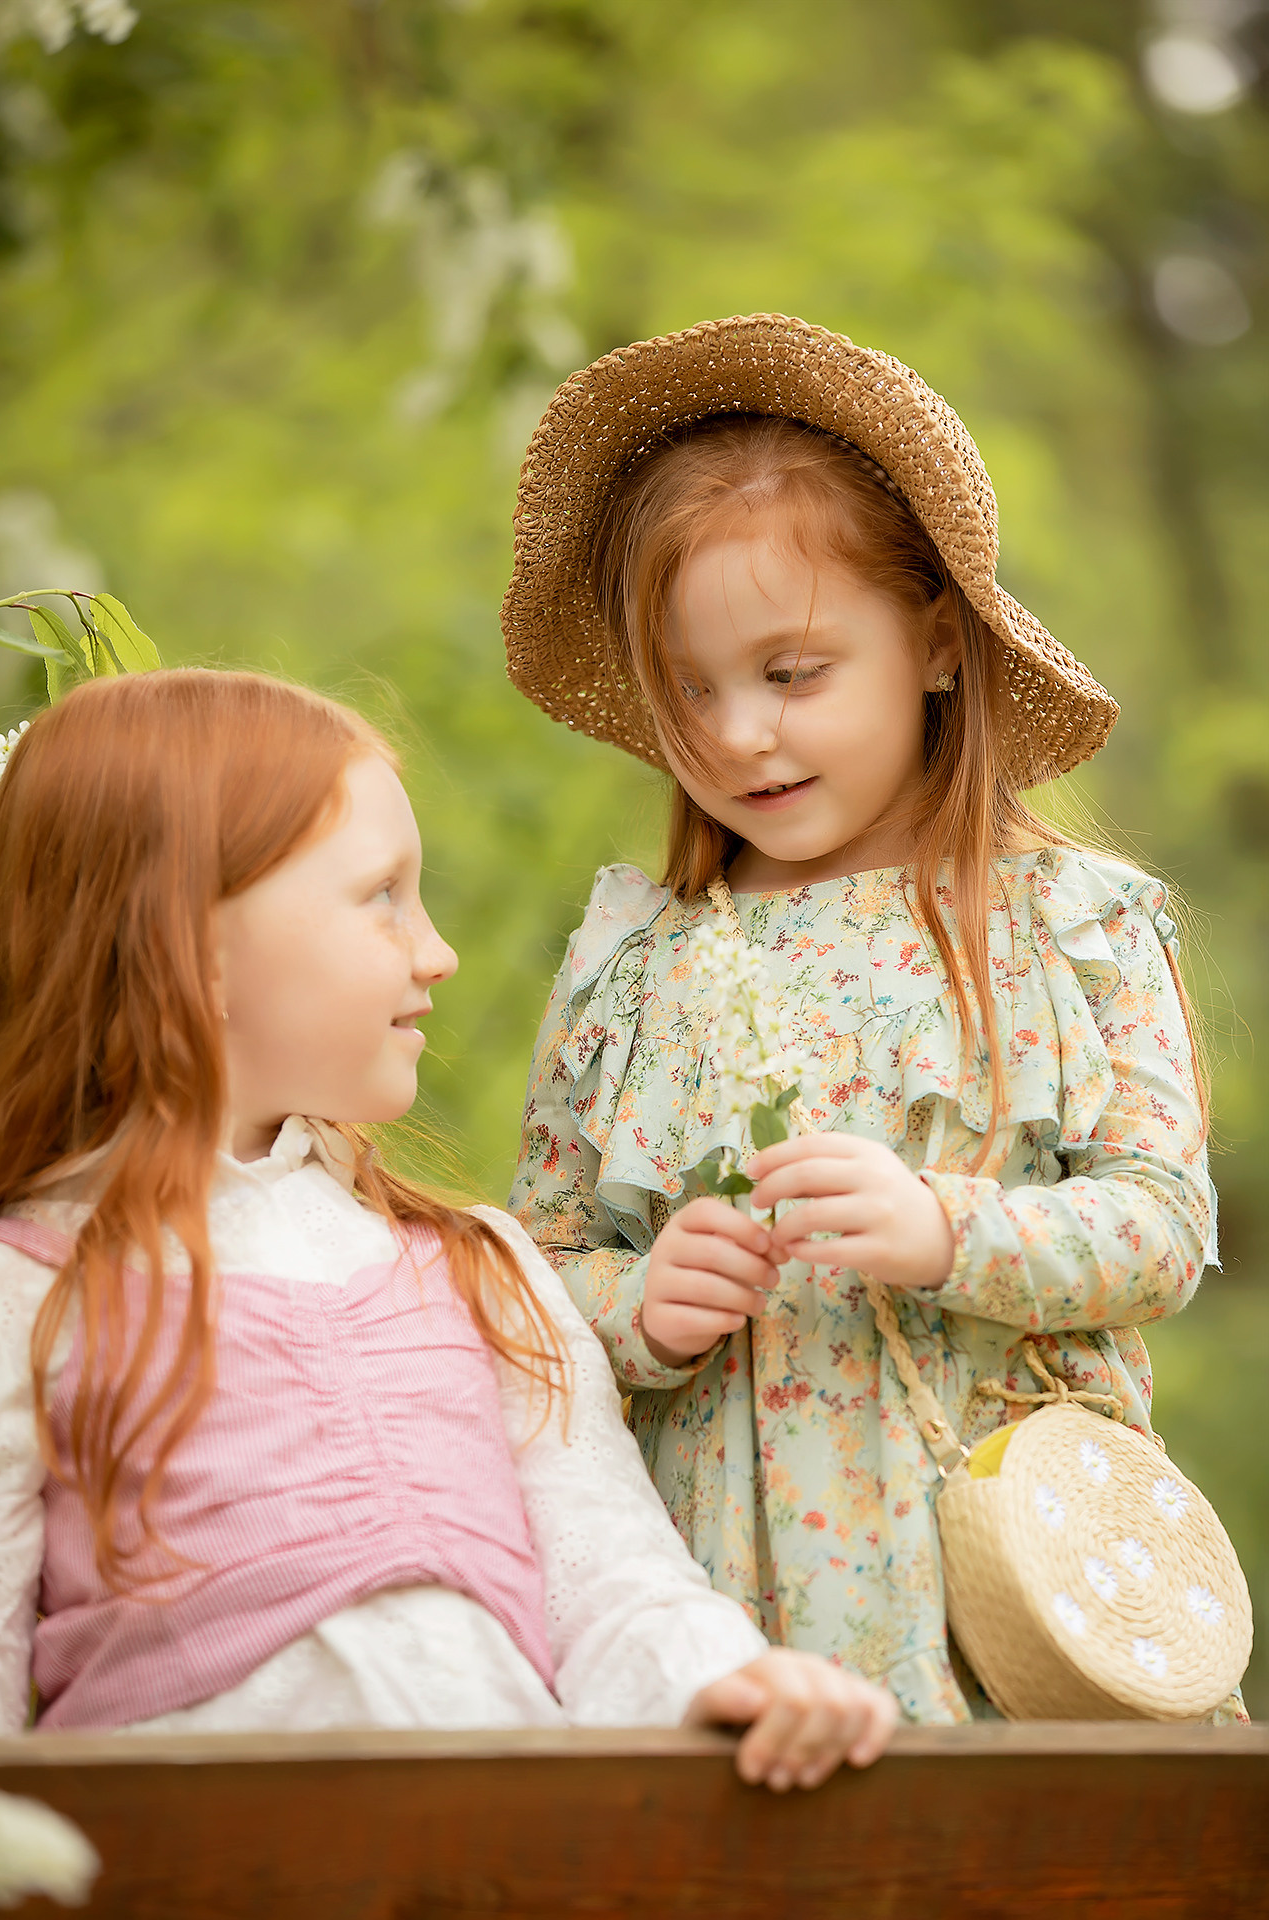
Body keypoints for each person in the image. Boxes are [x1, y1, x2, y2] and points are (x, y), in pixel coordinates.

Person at [0, 668, 896, 1787]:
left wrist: (719, 1675)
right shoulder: (22, 1295)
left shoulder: (478, 1270)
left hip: (509, 1863)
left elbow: (605, 1573)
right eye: (381, 896)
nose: (436, 952)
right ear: (193, 946)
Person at [506, 314, 1221, 1723]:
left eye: (791, 674)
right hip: (720, 1608)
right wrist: (637, 1306)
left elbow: (1161, 1226)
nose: (736, 737)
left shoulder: (1064, 925)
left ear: (938, 646)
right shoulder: (638, 967)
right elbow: (534, 1267)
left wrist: (951, 1228)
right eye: (691, 691)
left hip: (1007, 1588)